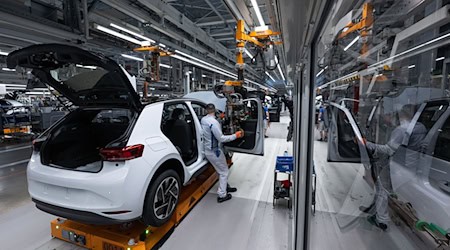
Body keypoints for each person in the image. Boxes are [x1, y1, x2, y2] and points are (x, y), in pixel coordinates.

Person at [362, 104, 427, 230]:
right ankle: (375, 210)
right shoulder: (421, 127)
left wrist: (367, 144)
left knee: (382, 190)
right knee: (389, 190)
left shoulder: (402, 130)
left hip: (399, 168)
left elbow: (388, 150)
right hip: (413, 167)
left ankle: (382, 221)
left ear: (401, 115)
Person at [201, 103, 244, 203]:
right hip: (214, 151)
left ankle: (225, 187)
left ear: (206, 110)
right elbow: (221, 138)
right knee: (224, 171)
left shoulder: (204, 119)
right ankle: (222, 195)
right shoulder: (214, 122)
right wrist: (235, 135)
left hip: (207, 149)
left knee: (220, 170)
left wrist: (219, 118)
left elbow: (211, 126)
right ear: (215, 110)